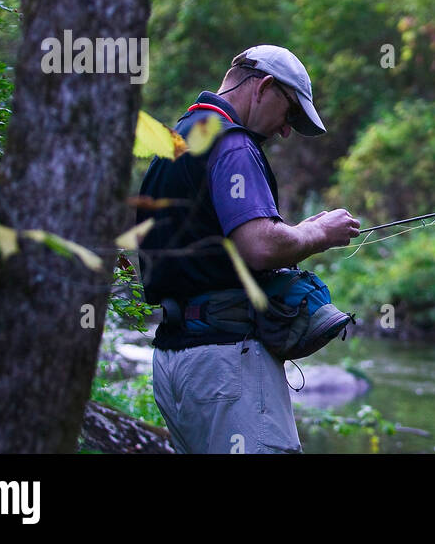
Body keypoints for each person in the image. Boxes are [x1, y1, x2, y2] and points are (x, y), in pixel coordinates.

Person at [134, 45, 360, 453]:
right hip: (227, 363)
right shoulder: (232, 144)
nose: (286, 130)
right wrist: (321, 234)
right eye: (290, 113)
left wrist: (297, 231)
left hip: (174, 362)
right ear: (265, 87)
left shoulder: (178, 141)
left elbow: (213, 245)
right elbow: (259, 247)